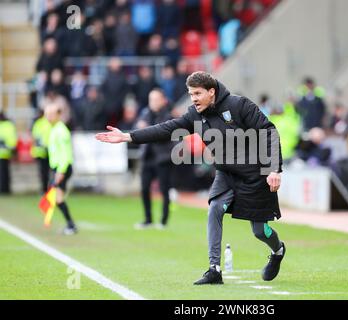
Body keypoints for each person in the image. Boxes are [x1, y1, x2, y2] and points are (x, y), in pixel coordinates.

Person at [96, 71, 286, 285]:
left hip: (254, 174)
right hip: (226, 173)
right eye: (190, 93)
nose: (193, 98)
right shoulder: (194, 115)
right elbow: (166, 129)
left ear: (211, 92)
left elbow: (269, 131)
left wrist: (273, 169)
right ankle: (214, 269)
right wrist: (128, 136)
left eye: (197, 93)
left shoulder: (238, 105)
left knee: (260, 231)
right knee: (214, 208)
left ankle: (278, 250)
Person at [134, 89, 175, 230]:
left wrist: (148, 130)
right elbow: (137, 129)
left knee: (164, 190)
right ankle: (148, 219)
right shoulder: (145, 113)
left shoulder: (168, 115)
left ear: (163, 100)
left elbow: (165, 134)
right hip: (147, 157)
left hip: (162, 158)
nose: (153, 102)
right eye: (151, 99)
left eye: (156, 99)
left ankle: (163, 220)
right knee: (145, 189)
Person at [45, 102, 77, 235]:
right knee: (55, 197)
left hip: (62, 168)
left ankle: (71, 225)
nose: (48, 117)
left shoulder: (61, 130)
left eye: (51, 114)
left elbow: (65, 153)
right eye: (46, 114)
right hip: (57, 167)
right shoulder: (54, 129)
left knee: (57, 197)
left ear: (58, 115)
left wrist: (60, 171)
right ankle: (69, 225)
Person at [31, 110, 52, 194]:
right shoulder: (48, 123)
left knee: (43, 172)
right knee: (48, 172)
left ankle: (44, 189)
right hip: (47, 151)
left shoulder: (38, 123)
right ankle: (47, 189)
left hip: (42, 151)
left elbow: (35, 137)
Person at [0, 112, 18, 195]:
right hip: (6, 152)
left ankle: (4, 189)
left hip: (4, 152)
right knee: (5, 172)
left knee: (3, 173)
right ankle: (5, 189)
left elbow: (11, 139)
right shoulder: (9, 125)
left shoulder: (7, 125)